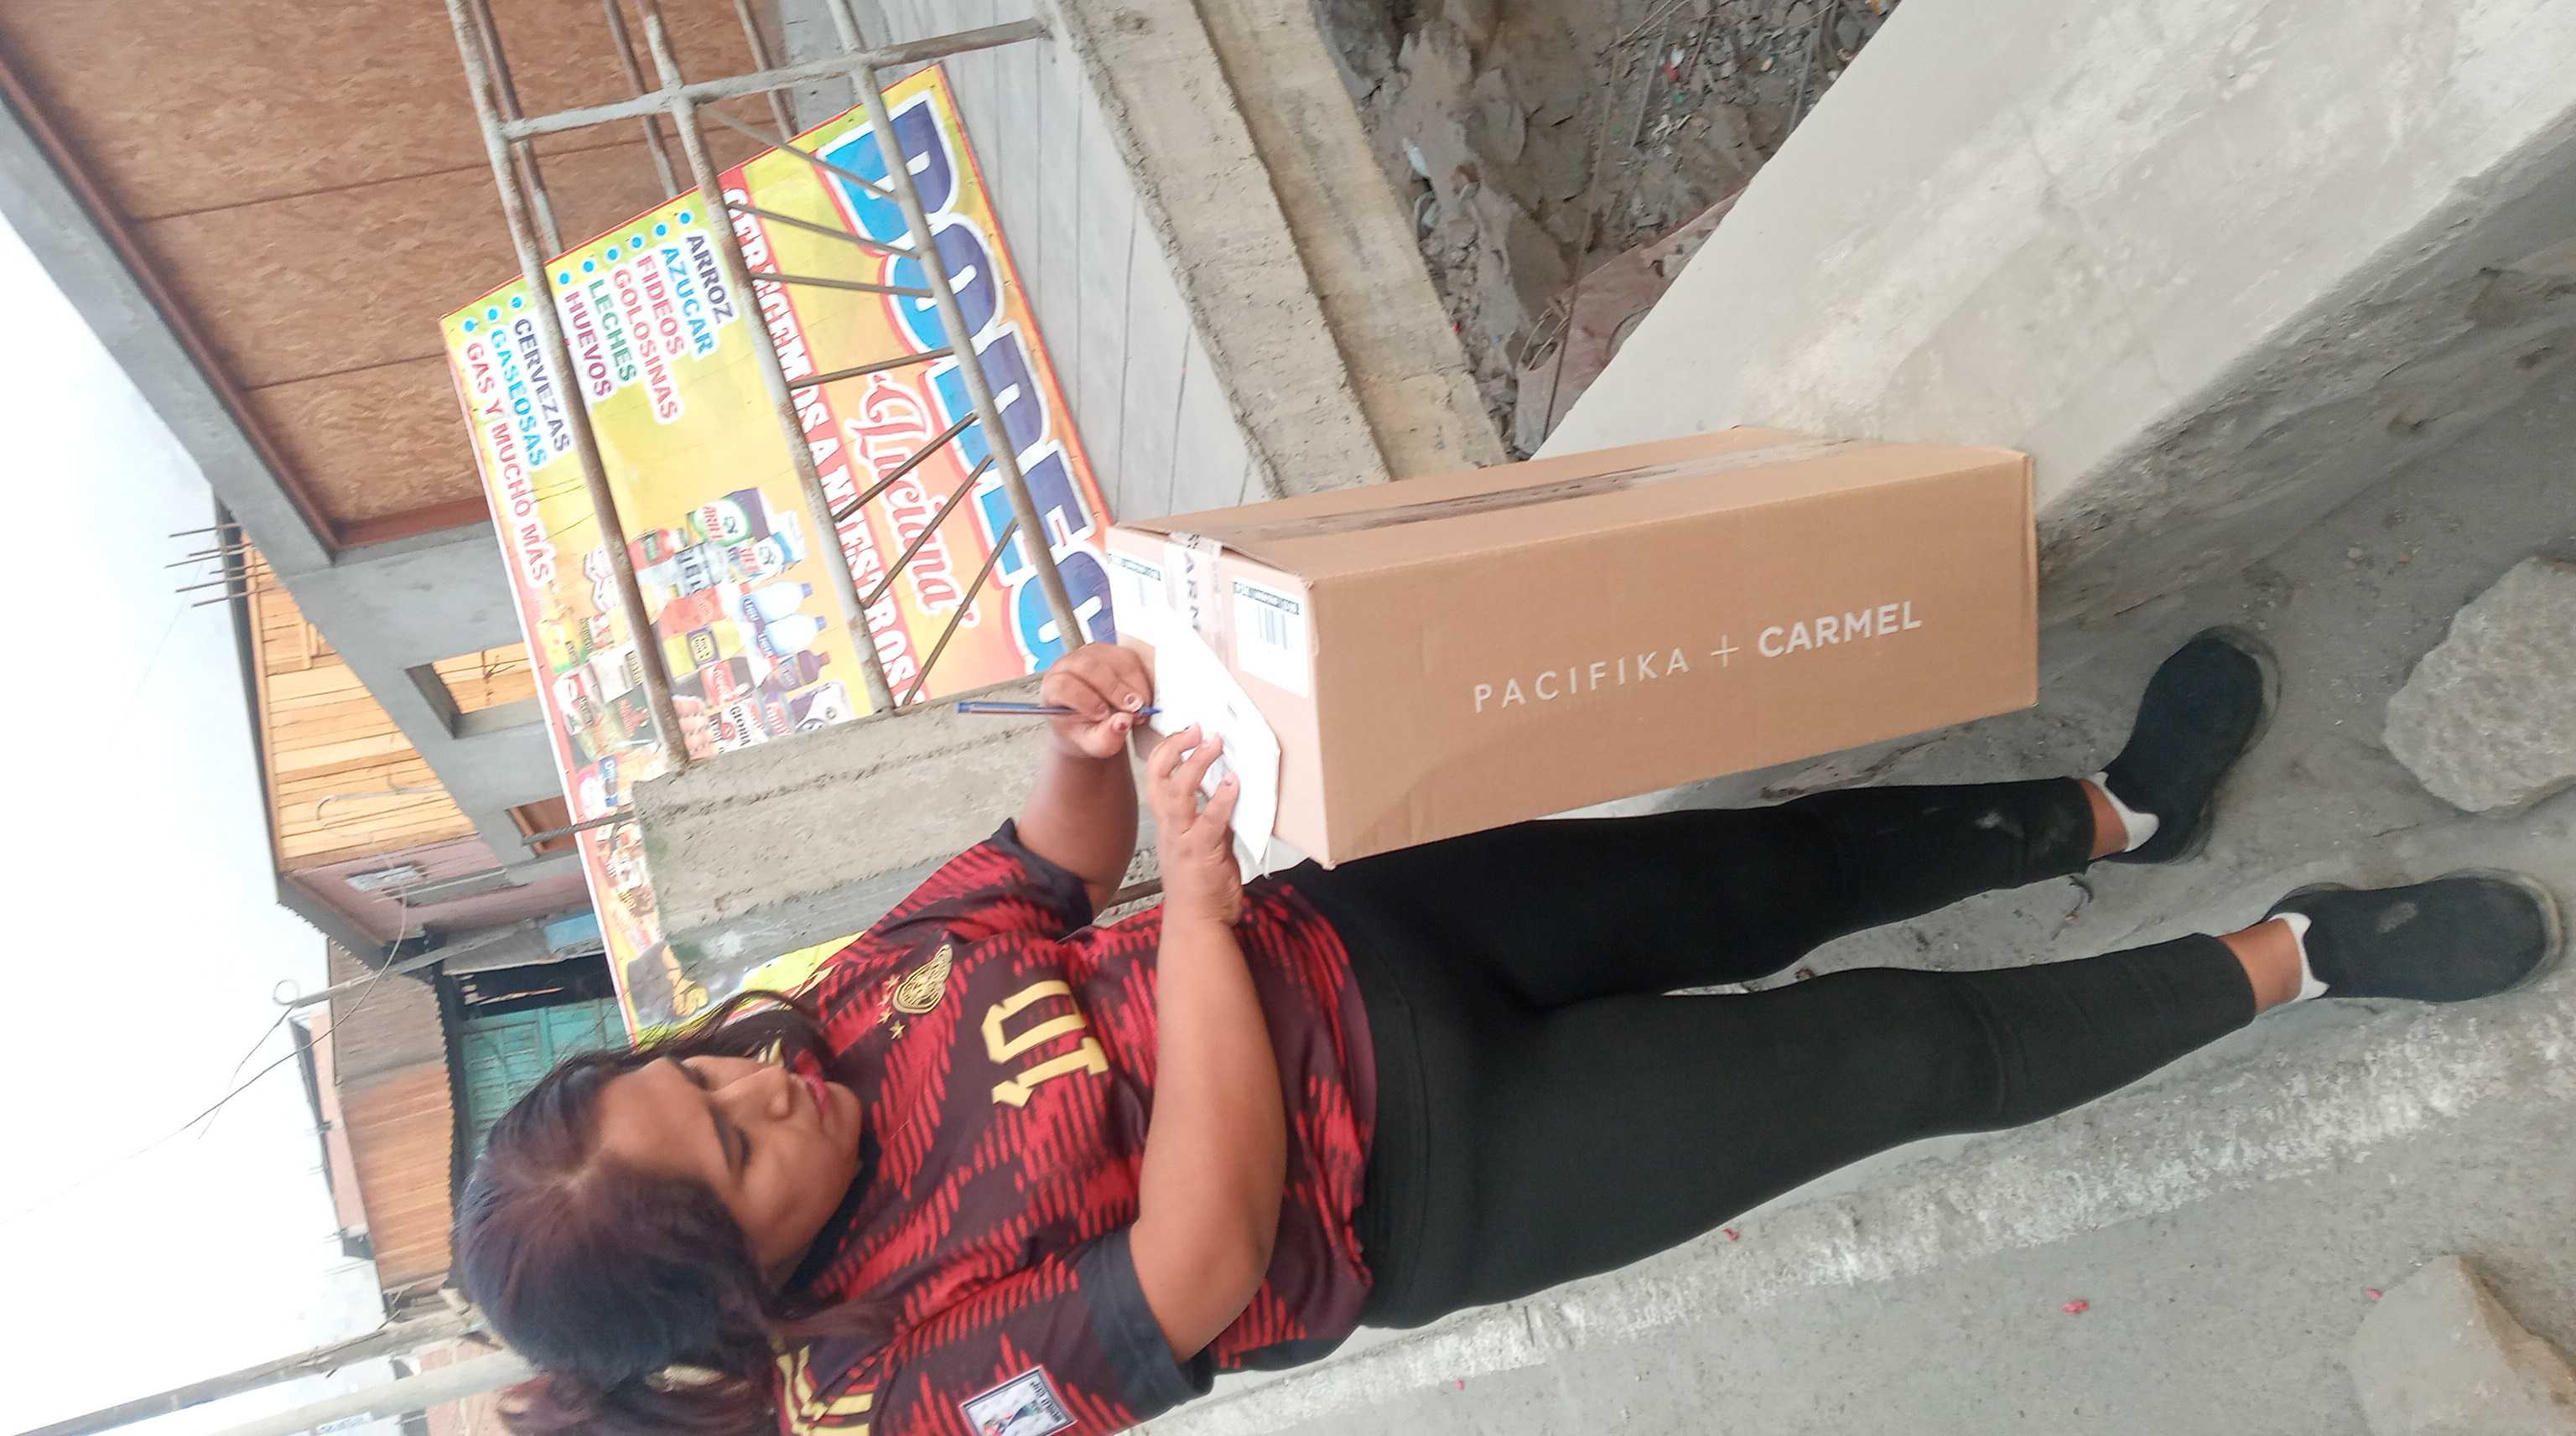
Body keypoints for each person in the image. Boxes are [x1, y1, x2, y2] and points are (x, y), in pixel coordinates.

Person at [454, 630, 2561, 1436]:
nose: (761, 1083)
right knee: (1908, 1063)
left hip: (1380, 938)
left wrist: (1079, 749)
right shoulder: (885, 1395)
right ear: (738, 1296)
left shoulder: (820, 1024)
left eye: (695, 1068)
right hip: (1446, 1179)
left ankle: (2122, 812)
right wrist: (1197, 904)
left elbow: (1027, 878)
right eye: (733, 1148)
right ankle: (2306, 952)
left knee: (1777, 867)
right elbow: (1198, 1255)